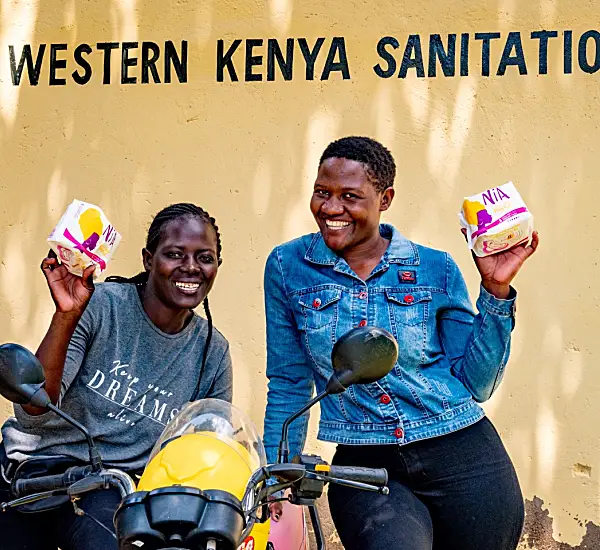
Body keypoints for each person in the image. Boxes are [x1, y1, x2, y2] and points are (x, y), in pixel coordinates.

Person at [262, 137, 539, 550]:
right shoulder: (288, 268)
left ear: (385, 198)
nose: (331, 208)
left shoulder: (435, 267)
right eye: (323, 192)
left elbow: (478, 383)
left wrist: (496, 291)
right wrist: (277, 473)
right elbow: (288, 381)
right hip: (366, 462)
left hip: (462, 450)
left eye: (350, 196)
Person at [0, 203, 233, 550]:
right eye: (174, 254)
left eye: (204, 257)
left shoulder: (212, 351)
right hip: (35, 475)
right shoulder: (100, 306)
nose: (190, 268)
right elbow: (34, 413)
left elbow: (209, 447)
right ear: (148, 259)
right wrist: (67, 314)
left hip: (113, 491)